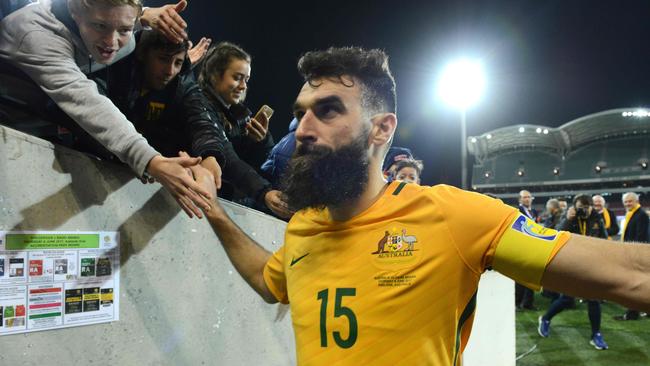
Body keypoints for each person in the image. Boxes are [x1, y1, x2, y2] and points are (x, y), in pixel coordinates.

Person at [188, 47, 650, 365]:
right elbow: (272, 282)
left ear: (382, 129)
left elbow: (631, 274)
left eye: (328, 110)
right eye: (299, 112)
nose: (303, 129)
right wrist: (212, 209)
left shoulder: (452, 216)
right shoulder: (305, 226)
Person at [0, 0, 213, 218]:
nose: (111, 42)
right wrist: (152, 161)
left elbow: (118, 20)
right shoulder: (36, 35)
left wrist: (144, 16)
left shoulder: (117, 32)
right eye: (100, 26)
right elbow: (86, 102)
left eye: (124, 29)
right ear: (75, 11)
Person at [107, 29, 290, 218]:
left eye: (178, 62)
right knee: (89, 244)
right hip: (116, 172)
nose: (170, 70)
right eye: (163, 59)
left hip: (165, 195)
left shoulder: (188, 90)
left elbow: (214, 138)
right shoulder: (118, 70)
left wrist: (217, 153)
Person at [537, 194, 609, 350]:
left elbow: (604, 238)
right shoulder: (570, 217)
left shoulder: (597, 218)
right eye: (580, 208)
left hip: (591, 265)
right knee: (567, 299)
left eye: (586, 207)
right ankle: (545, 318)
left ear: (591, 207)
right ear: (575, 207)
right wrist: (568, 219)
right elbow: (556, 234)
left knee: (594, 299)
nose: (583, 211)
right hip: (573, 264)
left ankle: (595, 334)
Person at [614, 192, 649, 321]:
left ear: (636, 201)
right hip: (633, 253)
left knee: (634, 285)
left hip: (636, 255)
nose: (628, 204)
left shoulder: (641, 215)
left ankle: (632, 313)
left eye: (630, 201)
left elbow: (641, 237)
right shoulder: (632, 214)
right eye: (626, 202)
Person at [516, 189, 538, 310]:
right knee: (520, 277)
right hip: (522, 246)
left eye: (529, 197)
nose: (527, 199)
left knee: (533, 275)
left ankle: (528, 303)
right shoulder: (517, 211)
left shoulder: (534, 211)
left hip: (533, 245)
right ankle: (517, 302)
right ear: (520, 199)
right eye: (525, 197)